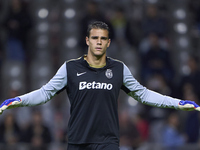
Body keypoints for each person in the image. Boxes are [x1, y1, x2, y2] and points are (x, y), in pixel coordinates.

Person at [0, 21, 200, 150]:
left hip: (108, 142)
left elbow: (144, 94)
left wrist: (177, 103)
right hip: (78, 141)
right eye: (94, 38)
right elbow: (45, 94)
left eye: (103, 38)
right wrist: (18, 100)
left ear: (109, 43)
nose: (98, 42)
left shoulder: (119, 69)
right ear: (87, 40)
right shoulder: (70, 68)